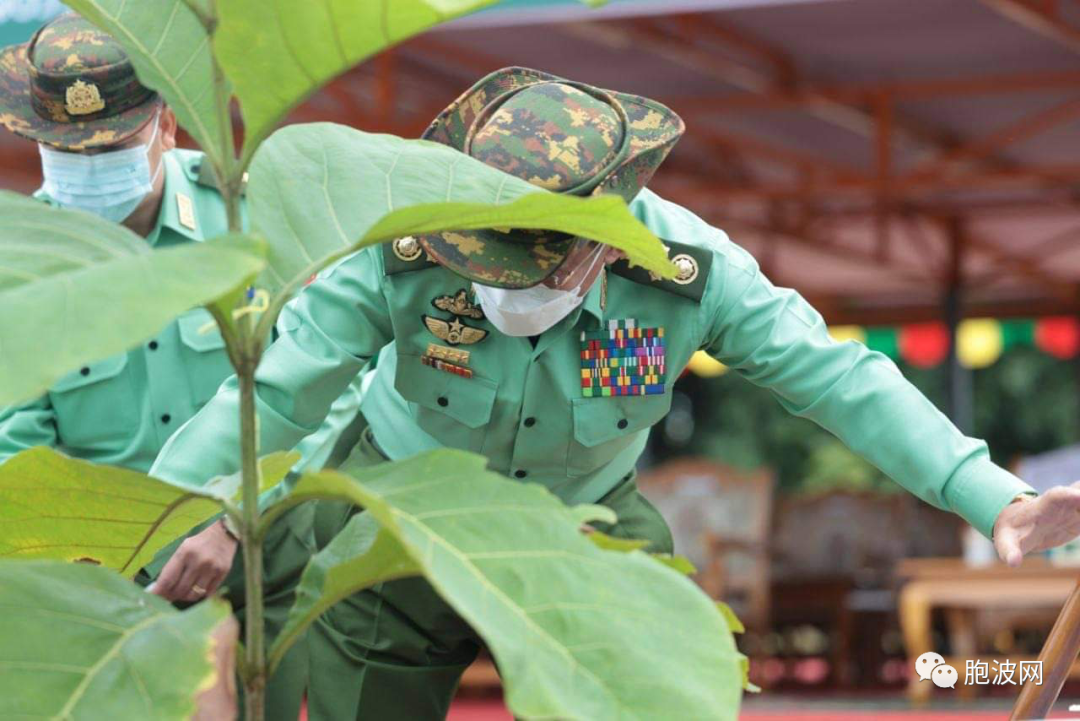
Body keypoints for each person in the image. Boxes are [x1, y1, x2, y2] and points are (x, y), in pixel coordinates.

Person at [148, 67, 1080, 719]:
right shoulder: (403, 245)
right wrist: (204, 510)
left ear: (604, 236)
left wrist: (995, 494)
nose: (502, 291)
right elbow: (281, 385)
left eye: (532, 270)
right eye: (484, 266)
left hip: (583, 521)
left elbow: (839, 380)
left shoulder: (688, 272)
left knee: (649, 685)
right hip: (393, 517)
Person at [0, 13, 363, 720]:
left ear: (165, 125)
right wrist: (91, 565)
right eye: (65, 151)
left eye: (109, 148)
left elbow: (337, 377)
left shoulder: (261, 217)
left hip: (264, 550)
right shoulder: (19, 264)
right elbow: (14, 433)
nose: (86, 171)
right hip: (101, 567)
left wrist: (232, 517)